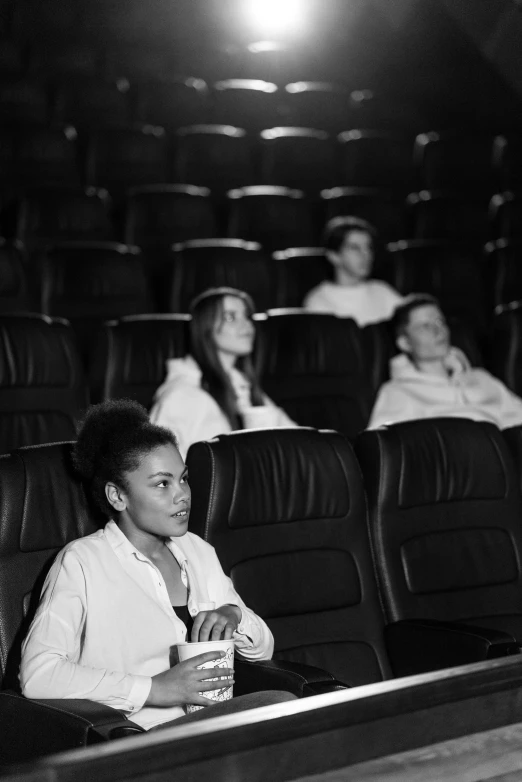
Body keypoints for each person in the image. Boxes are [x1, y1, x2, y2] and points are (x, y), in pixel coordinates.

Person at [19, 400, 295, 731]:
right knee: (279, 709)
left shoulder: (198, 551)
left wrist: (233, 616)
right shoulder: (81, 562)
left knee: (290, 711)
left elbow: (263, 649)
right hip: (133, 737)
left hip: (208, 728)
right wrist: (154, 689)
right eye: (163, 484)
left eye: (184, 479)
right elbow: (39, 674)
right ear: (117, 496)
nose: (183, 495)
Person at [150, 287, 296, 458]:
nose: (247, 325)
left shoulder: (240, 383)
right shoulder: (182, 395)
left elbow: (294, 439)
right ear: (206, 328)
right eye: (230, 317)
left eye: (247, 316)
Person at [368, 294, 522, 430]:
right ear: (405, 343)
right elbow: (381, 447)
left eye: (440, 322)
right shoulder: (397, 392)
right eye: (425, 326)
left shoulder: (482, 378)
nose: (438, 330)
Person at [303, 216, 403, 325]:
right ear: (334, 256)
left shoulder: (382, 290)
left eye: (368, 247)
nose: (366, 255)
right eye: (355, 248)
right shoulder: (319, 301)